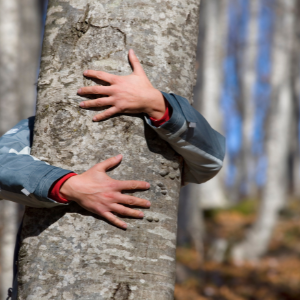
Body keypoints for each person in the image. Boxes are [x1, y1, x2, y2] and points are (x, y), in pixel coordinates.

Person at [0, 49, 225, 299]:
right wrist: (68, 185)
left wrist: (158, 104)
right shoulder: (42, 126)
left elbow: (212, 155)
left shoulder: (173, 119)